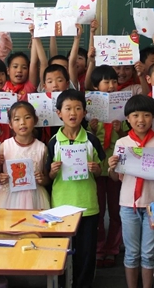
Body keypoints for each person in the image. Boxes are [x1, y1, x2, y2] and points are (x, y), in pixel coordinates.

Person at [108, 95, 154, 288]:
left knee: (148, 253)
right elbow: (115, 179)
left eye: (146, 115)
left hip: (153, 206)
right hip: (128, 204)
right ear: (128, 119)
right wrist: (112, 167)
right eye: (135, 115)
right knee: (131, 252)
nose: (141, 120)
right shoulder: (122, 143)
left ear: (153, 117)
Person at [47, 89, 105, 288]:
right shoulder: (53, 142)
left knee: (86, 252)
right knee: (61, 250)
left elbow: (101, 171)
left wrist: (96, 169)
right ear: (59, 113)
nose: (73, 113)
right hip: (61, 206)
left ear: (84, 112)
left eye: (78, 108)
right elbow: (47, 176)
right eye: (68, 108)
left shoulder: (91, 140)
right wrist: (52, 171)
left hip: (87, 205)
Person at [87, 65, 126, 268]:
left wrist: (120, 131)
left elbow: (128, 138)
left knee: (116, 210)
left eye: (114, 81)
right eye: (106, 82)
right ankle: (99, 249)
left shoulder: (122, 107)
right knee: (99, 211)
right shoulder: (91, 108)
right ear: (96, 86)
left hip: (115, 167)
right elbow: (86, 140)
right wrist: (92, 130)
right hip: (96, 167)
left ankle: (113, 249)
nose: (111, 85)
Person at [0, 101, 50, 209]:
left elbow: (47, 177)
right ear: (10, 124)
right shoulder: (5, 146)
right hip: (8, 197)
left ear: (35, 120)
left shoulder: (42, 148)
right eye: (17, 119)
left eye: (27, 117)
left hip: (34, 198)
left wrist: (42, 180)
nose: (22, 123)